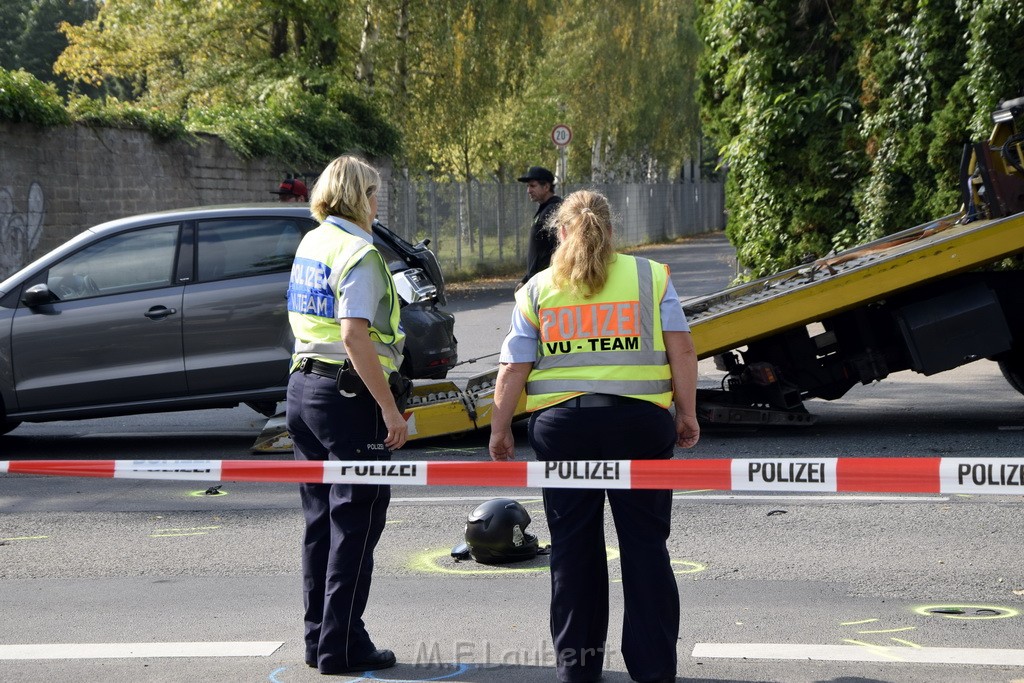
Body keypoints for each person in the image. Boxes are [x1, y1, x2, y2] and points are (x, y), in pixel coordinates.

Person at [488, 189, 700, 683]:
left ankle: (577, 668)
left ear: (560, 232)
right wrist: (686, 413)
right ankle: (652, 670)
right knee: (646, 545)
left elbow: (513, 366)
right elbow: (683, 352)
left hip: (563, 430)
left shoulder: (538, 288)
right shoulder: (649, 277)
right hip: (639, 425)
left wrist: (501, 428)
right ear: (610, 228)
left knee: (573, 546)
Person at [285, 155, 407, 675]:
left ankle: (318, 640)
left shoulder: (312, 241)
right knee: (356, 523)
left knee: (320, 523)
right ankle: (343, 646)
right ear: (360, 196)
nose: (378, 203)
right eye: (374, 193)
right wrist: (389, 408)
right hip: (347, 397)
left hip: (303, 388)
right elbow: (355, 333)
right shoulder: (358, 251)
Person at [516, 166, 562, 290]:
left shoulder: (553, 210)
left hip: (547, 284)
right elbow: (541, 250)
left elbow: (559, 248)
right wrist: (526, 279)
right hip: (538, 281)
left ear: (546, 187)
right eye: (528, 186)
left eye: (532, 186)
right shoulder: (544, 209)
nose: (528, 190)